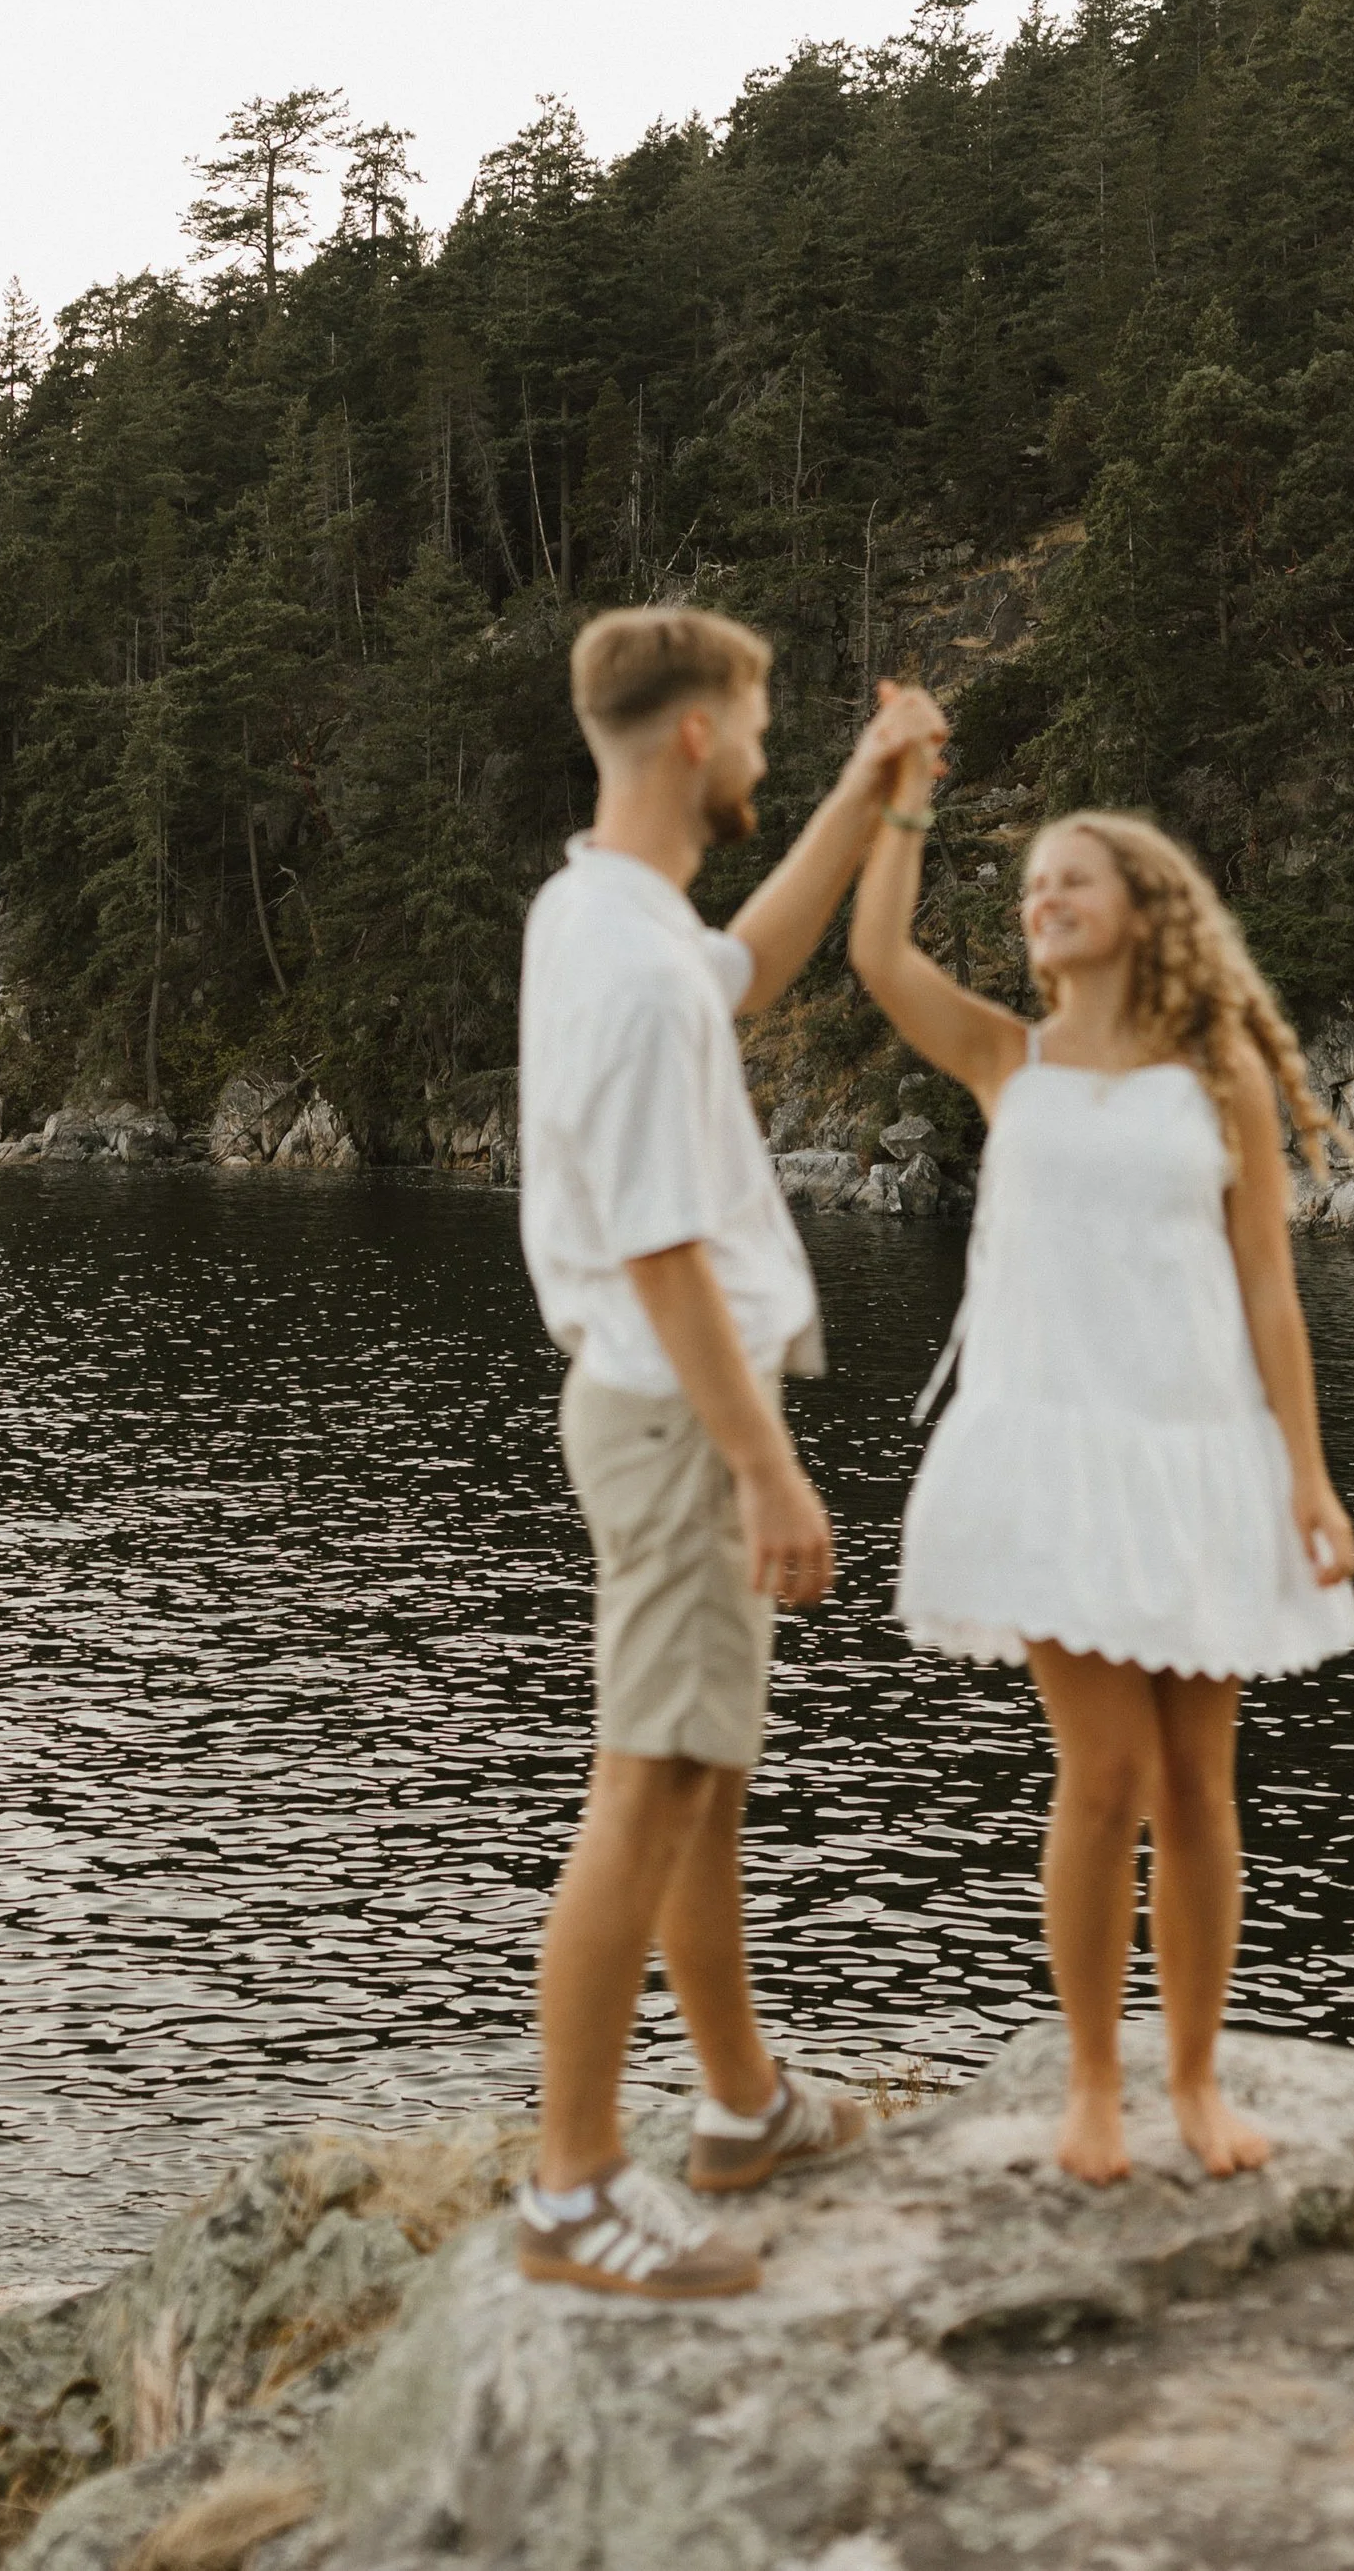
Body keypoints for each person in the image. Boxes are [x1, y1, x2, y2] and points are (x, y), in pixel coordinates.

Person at [513, 606, 948, 2301]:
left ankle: (747, 2105)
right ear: (695, 733)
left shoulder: (614, 916)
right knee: (649, 1783)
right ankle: (571, 2191)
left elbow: (754, 961)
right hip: (682, 1416)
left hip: (671, 1408)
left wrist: (865, 788)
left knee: (698, 1777)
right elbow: (663, 1249)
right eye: (763, 724)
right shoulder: (617, 955)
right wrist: (768, 1464)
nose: (766, 750)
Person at [849, 758, 1354, 2187]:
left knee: (1202, 1784)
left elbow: (1269, 1289)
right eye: (1029, 886)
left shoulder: (1224, 1079)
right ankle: (1090, 2085)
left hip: (1201, 1453)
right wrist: (897, 795)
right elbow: (878, 953)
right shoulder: (1007, 1058)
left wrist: (1309, 1479)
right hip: (1054, 1453)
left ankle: (1194, 2084)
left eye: (1071, 874)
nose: (1043, 896)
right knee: (1108, 1770)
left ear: (1142, 906)